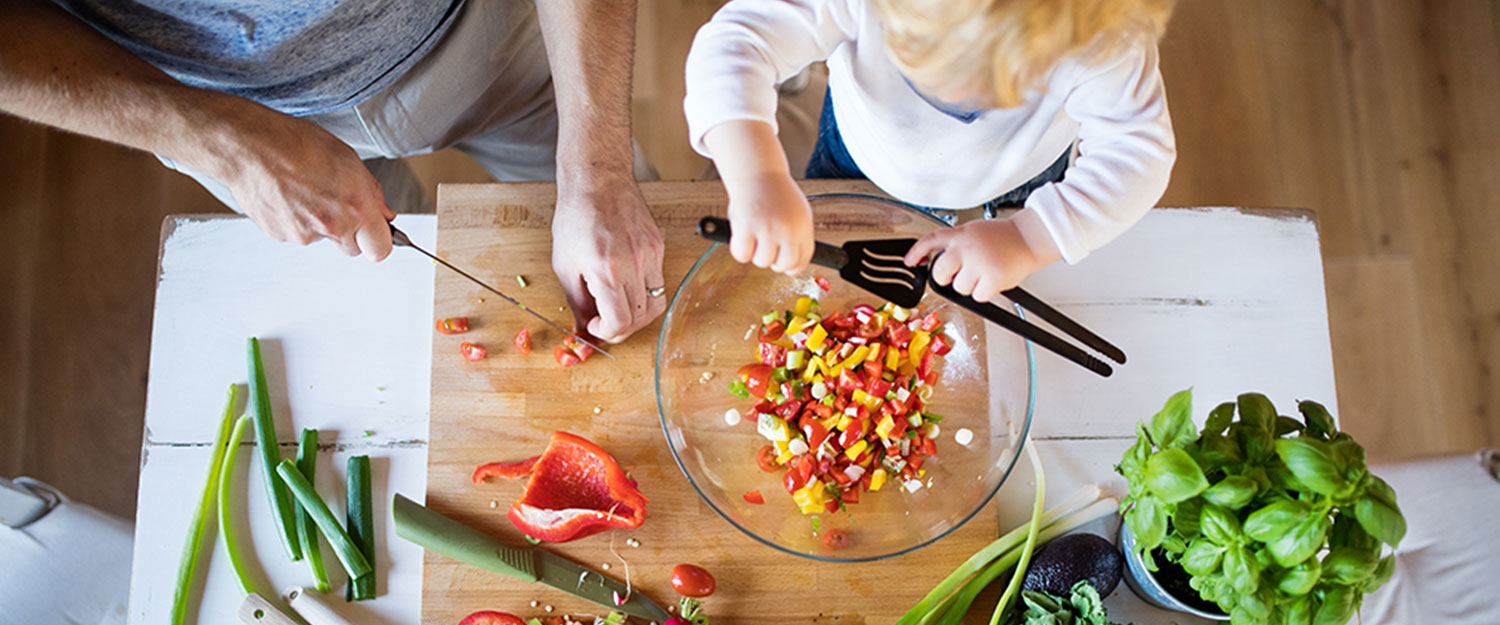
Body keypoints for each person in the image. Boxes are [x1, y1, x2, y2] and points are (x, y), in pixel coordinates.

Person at [0, 0, 665, 343]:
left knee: (626, 259)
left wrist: (597, 171)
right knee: (391, 320)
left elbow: (599, 179)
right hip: (220, 107)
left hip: (482, 32)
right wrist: (226, 144)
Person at [683, 0, 1176, 304]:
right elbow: (736, 42)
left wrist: (1030, 238)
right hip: (859, 158)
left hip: (1020, 182)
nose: (962, 99)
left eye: (1008, 82)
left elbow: (1137, 152)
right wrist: (758, 178)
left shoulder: (1103, 30)